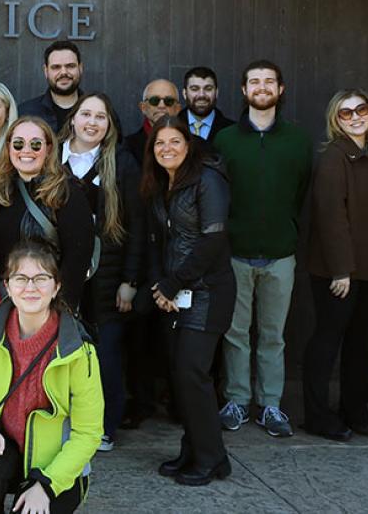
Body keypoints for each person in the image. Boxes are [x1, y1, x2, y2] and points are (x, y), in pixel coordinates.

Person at [0, 242, 103, 513]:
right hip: (5, 446)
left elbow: (89, 433)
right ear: (8, 286)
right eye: (21, 278)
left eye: (41, 278)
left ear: (56, 286)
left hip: (56, 463)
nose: (31, 287)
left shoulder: (79, 350)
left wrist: (47, 485)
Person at [214, 60, 312, 438]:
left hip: (280, 255)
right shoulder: (225, 140)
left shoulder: (297, 141)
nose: (262, 87)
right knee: (236, 333)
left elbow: (301, 193)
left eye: (269, 81)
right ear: (243, 90)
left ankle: (271, 404)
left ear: (281, 89)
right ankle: (237, 400)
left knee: (273, 335)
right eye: (254, 81)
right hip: (235, 253)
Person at [141, 116, 236, 486]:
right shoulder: (161, 184)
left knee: (193, 375)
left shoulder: (208, 180)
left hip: (208, 292)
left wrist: (171, 283)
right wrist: (161, 287)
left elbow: (211, 241)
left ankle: (212, 458)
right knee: (181, 377)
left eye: (174, 141)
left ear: (189, 144)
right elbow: (157, 242)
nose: (167, 148)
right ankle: (194, 449)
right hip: (175, 293)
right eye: (159, 143)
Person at [302, 90, 368, 442]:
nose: (355, 116)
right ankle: (317, 415)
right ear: (334, 120)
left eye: (362, 108)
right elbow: (330, 217)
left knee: (359, 341)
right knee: (327, 341)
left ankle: (356, 410)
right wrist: (342, 270)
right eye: (345, 113)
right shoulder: (334, 158)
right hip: (338, 272)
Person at [60, 93, 146, 450]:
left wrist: (130, 281)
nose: (92, 122)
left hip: (108, 277)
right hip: (61, 274)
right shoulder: (53, 157)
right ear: (73, 119)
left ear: (109, 125)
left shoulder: (122, 164)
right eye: (85, 115)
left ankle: (105, 427)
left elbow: (137, 227)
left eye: (100, 117)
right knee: (62, 351)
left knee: (106, 353)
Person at [0, 117, 95, 308]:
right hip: (2, 300)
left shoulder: (67, 190)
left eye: (35, 144)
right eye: (18, 144)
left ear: (49, 148)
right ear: (8, 147)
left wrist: (60, 308)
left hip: (48, 300)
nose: (26, 150)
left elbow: (78, 256)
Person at [18, 41, 83, 133]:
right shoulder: (25, 112)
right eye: (56, 67)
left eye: (70, 66)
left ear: (80, 68)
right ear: (46, 71)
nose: (63, 72)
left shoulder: (97, 110)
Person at [123, 78, 181, 164]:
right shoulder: (126, 147)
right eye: (154, 101)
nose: (161, 106)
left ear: (177, 109)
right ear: (143, 107)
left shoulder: (193, 144)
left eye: (169, 101)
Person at [178, 67, 234, 142]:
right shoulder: (170, 128)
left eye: (208, 89)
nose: (201, 95)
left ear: (216, 93)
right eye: (194, 89)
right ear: (185, 94)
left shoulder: (232, 131)